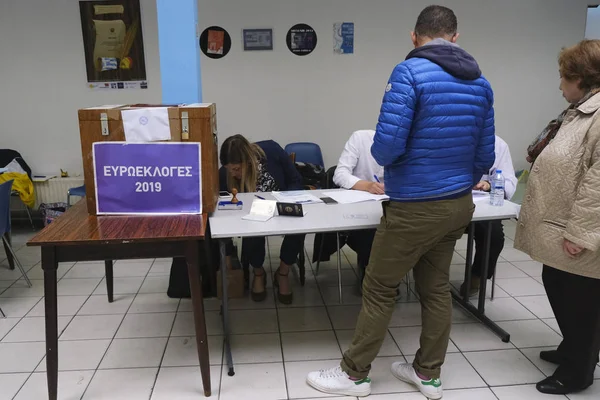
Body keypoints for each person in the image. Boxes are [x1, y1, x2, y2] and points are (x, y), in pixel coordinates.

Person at [307, 5, 495, 399]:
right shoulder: (481, 84)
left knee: (379, 287)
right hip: (458, 203)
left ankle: (354, 375)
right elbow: (485, 158)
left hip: (415, 206)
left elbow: (387, 147)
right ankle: (428, 374)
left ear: (415, 36)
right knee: (436, 287)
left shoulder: (408, 73)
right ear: (455, 37)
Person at [515, 39, 600, 395]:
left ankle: (578, 370)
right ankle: (573, 348)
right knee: (557, 283)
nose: (560, 85)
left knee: (580, 301)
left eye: (564, 78)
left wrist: (580, 233)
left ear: (582, 78)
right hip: (559, 224)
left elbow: (599, 182)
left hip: (580, 231)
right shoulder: (581, 110)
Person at [219, 134, 305, 304]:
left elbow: (296, 180)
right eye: (229, 169)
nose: (233, 173)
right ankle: (258, 272)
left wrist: (283, 200)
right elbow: (222, 204)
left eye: (236, 169)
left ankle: (283, 272)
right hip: (252, 216)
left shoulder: (271, 152)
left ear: (248, 160)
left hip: (280, 208)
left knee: (299, 227)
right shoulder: (225, 174)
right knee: (252, 232)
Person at [312, 130, 382, 291]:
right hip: (359, 208)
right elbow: (339, 175)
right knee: (371, 230)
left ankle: (387, 275)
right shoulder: (361, 138)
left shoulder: (410, 145)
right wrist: (368, 185)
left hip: (392, 206)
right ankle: (370, 274)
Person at [461, 135, 517, 296]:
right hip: (445, 204)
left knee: (494, 235)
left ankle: (477, 276)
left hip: (479, 206)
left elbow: (508, 180)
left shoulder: (497, 144)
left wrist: (490, 184)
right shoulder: (442, 136)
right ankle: (431, 279)